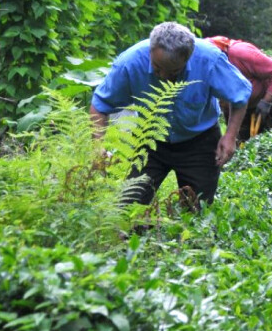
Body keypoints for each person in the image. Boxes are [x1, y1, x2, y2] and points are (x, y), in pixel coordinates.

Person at [90, 22, 252, 206]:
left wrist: (230, 136)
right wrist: (97, 146)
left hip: (200, 142)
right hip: (149, 141)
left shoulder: (209, 59)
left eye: (174, 72)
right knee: (129, 209)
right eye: (157, 68)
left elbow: (240, 95)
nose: (165, 77)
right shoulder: (129, 63)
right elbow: (100, 104)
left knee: (197, 211)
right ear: (150, 52)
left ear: (188, 57)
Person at [206, 36, 272, 140]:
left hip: (263, 102)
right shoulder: (206, 63)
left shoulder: (240, 53)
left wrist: (266, 101)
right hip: (237, 107)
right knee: (241, 143)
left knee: (268, 139)